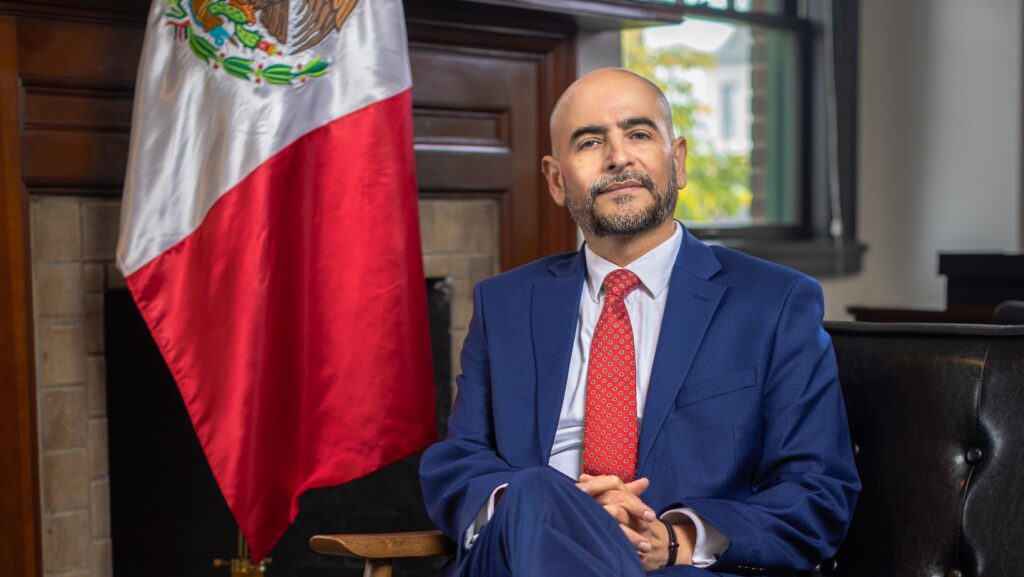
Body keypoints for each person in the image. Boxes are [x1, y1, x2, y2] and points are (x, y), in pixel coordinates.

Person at [419, 68, 860, 577]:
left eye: (639, 134)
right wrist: (549, 512)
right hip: (514, 557)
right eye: (589, 142)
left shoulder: (773, 302)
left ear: (679, 161)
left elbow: (817, 491)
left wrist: (674, 539)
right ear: (557, 180)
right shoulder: (505, 304)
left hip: (676, 569)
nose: (618, 157)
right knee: (536, 490)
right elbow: (460, 459)